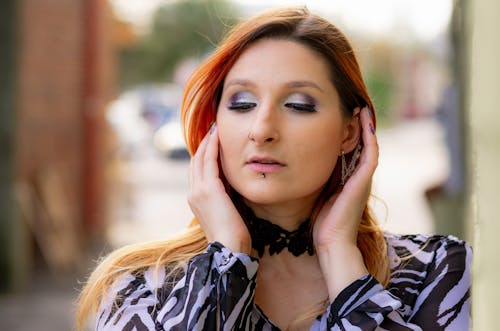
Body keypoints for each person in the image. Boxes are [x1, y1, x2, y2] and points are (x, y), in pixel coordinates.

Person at [76, 7, 471, 331]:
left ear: (351, 132)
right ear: (215, 126)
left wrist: (340, 257)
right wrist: (226, 261)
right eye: (242, 103)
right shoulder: (140, 287)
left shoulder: (435, 274)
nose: (262, 129)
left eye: (298, 105)